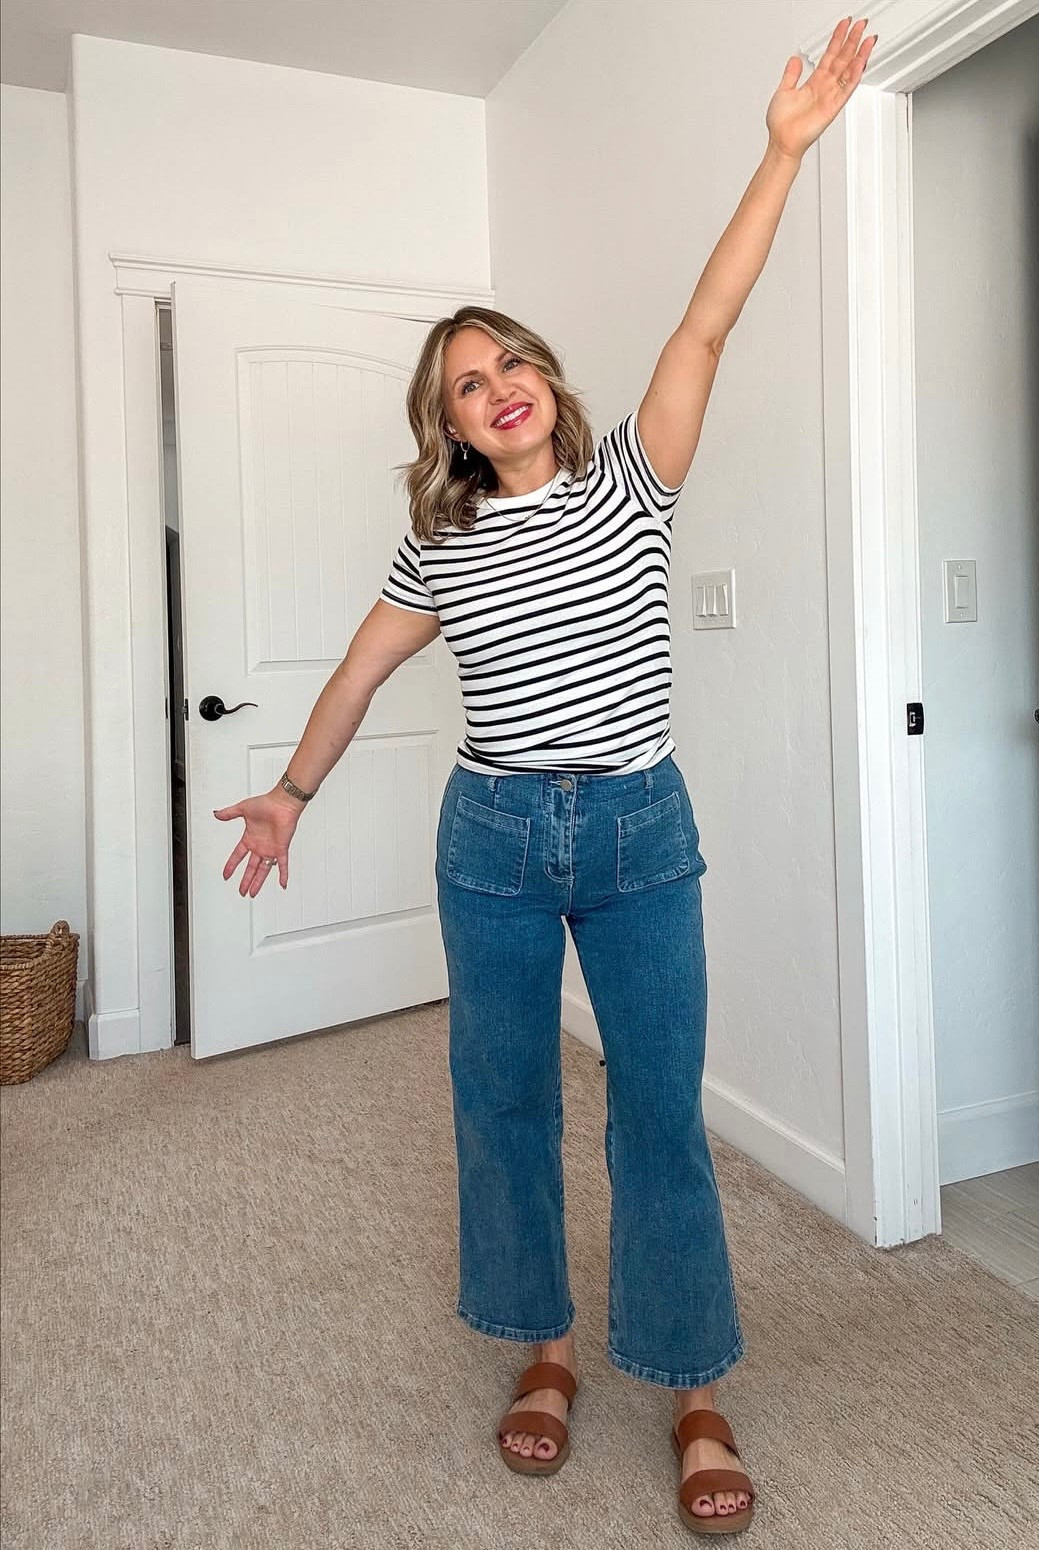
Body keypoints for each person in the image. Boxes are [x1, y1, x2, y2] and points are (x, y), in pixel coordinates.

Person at [215, 19, 876, 1534]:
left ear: (548, 384)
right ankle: (552, 1351)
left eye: (511, 359)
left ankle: (693, 1378)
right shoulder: (438, 545)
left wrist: (780, 152)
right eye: (465, 381)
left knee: (655, 1109)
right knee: (503, 1101)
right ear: (445, 428)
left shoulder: (630, 481)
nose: (497, 384)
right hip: (495, 835)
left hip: (641, 829)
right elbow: (359, 671)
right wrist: (291, 792)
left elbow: (706, 322)